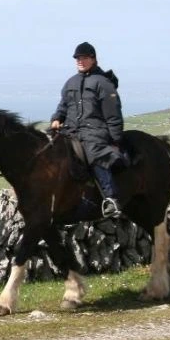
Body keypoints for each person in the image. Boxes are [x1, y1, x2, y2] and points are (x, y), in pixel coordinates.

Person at [50, 42, 125, 218]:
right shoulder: (71, 82)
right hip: (70, 130)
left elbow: (113, 114)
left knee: (94, 152)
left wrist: (116, 140)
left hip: (95, 131)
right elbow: (63, 106)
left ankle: (111, 199)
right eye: (77, 58)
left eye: (84, 58)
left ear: (93, 59)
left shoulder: (104, 83)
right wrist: (56, 119)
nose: (80, 61)